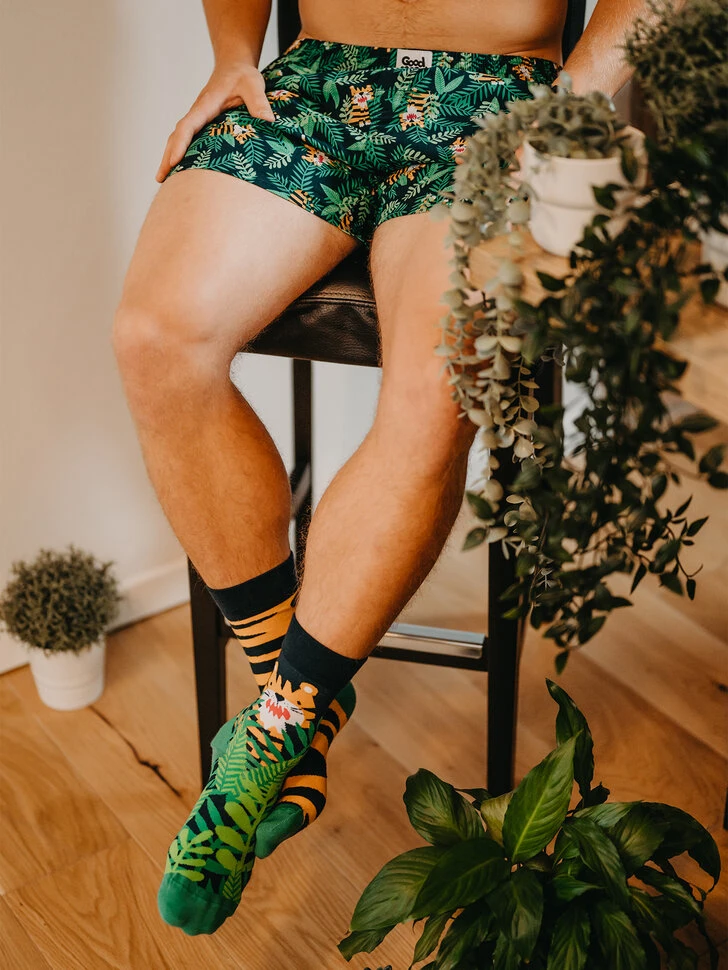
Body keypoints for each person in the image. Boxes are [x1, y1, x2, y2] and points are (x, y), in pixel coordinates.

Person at [111, 0, 654, 936]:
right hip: (313, 89)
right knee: (154, 341)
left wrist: (575, 98)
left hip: (501, 103)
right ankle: (295, 706)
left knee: (435, 393)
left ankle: (272, 734)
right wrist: (233, 54)